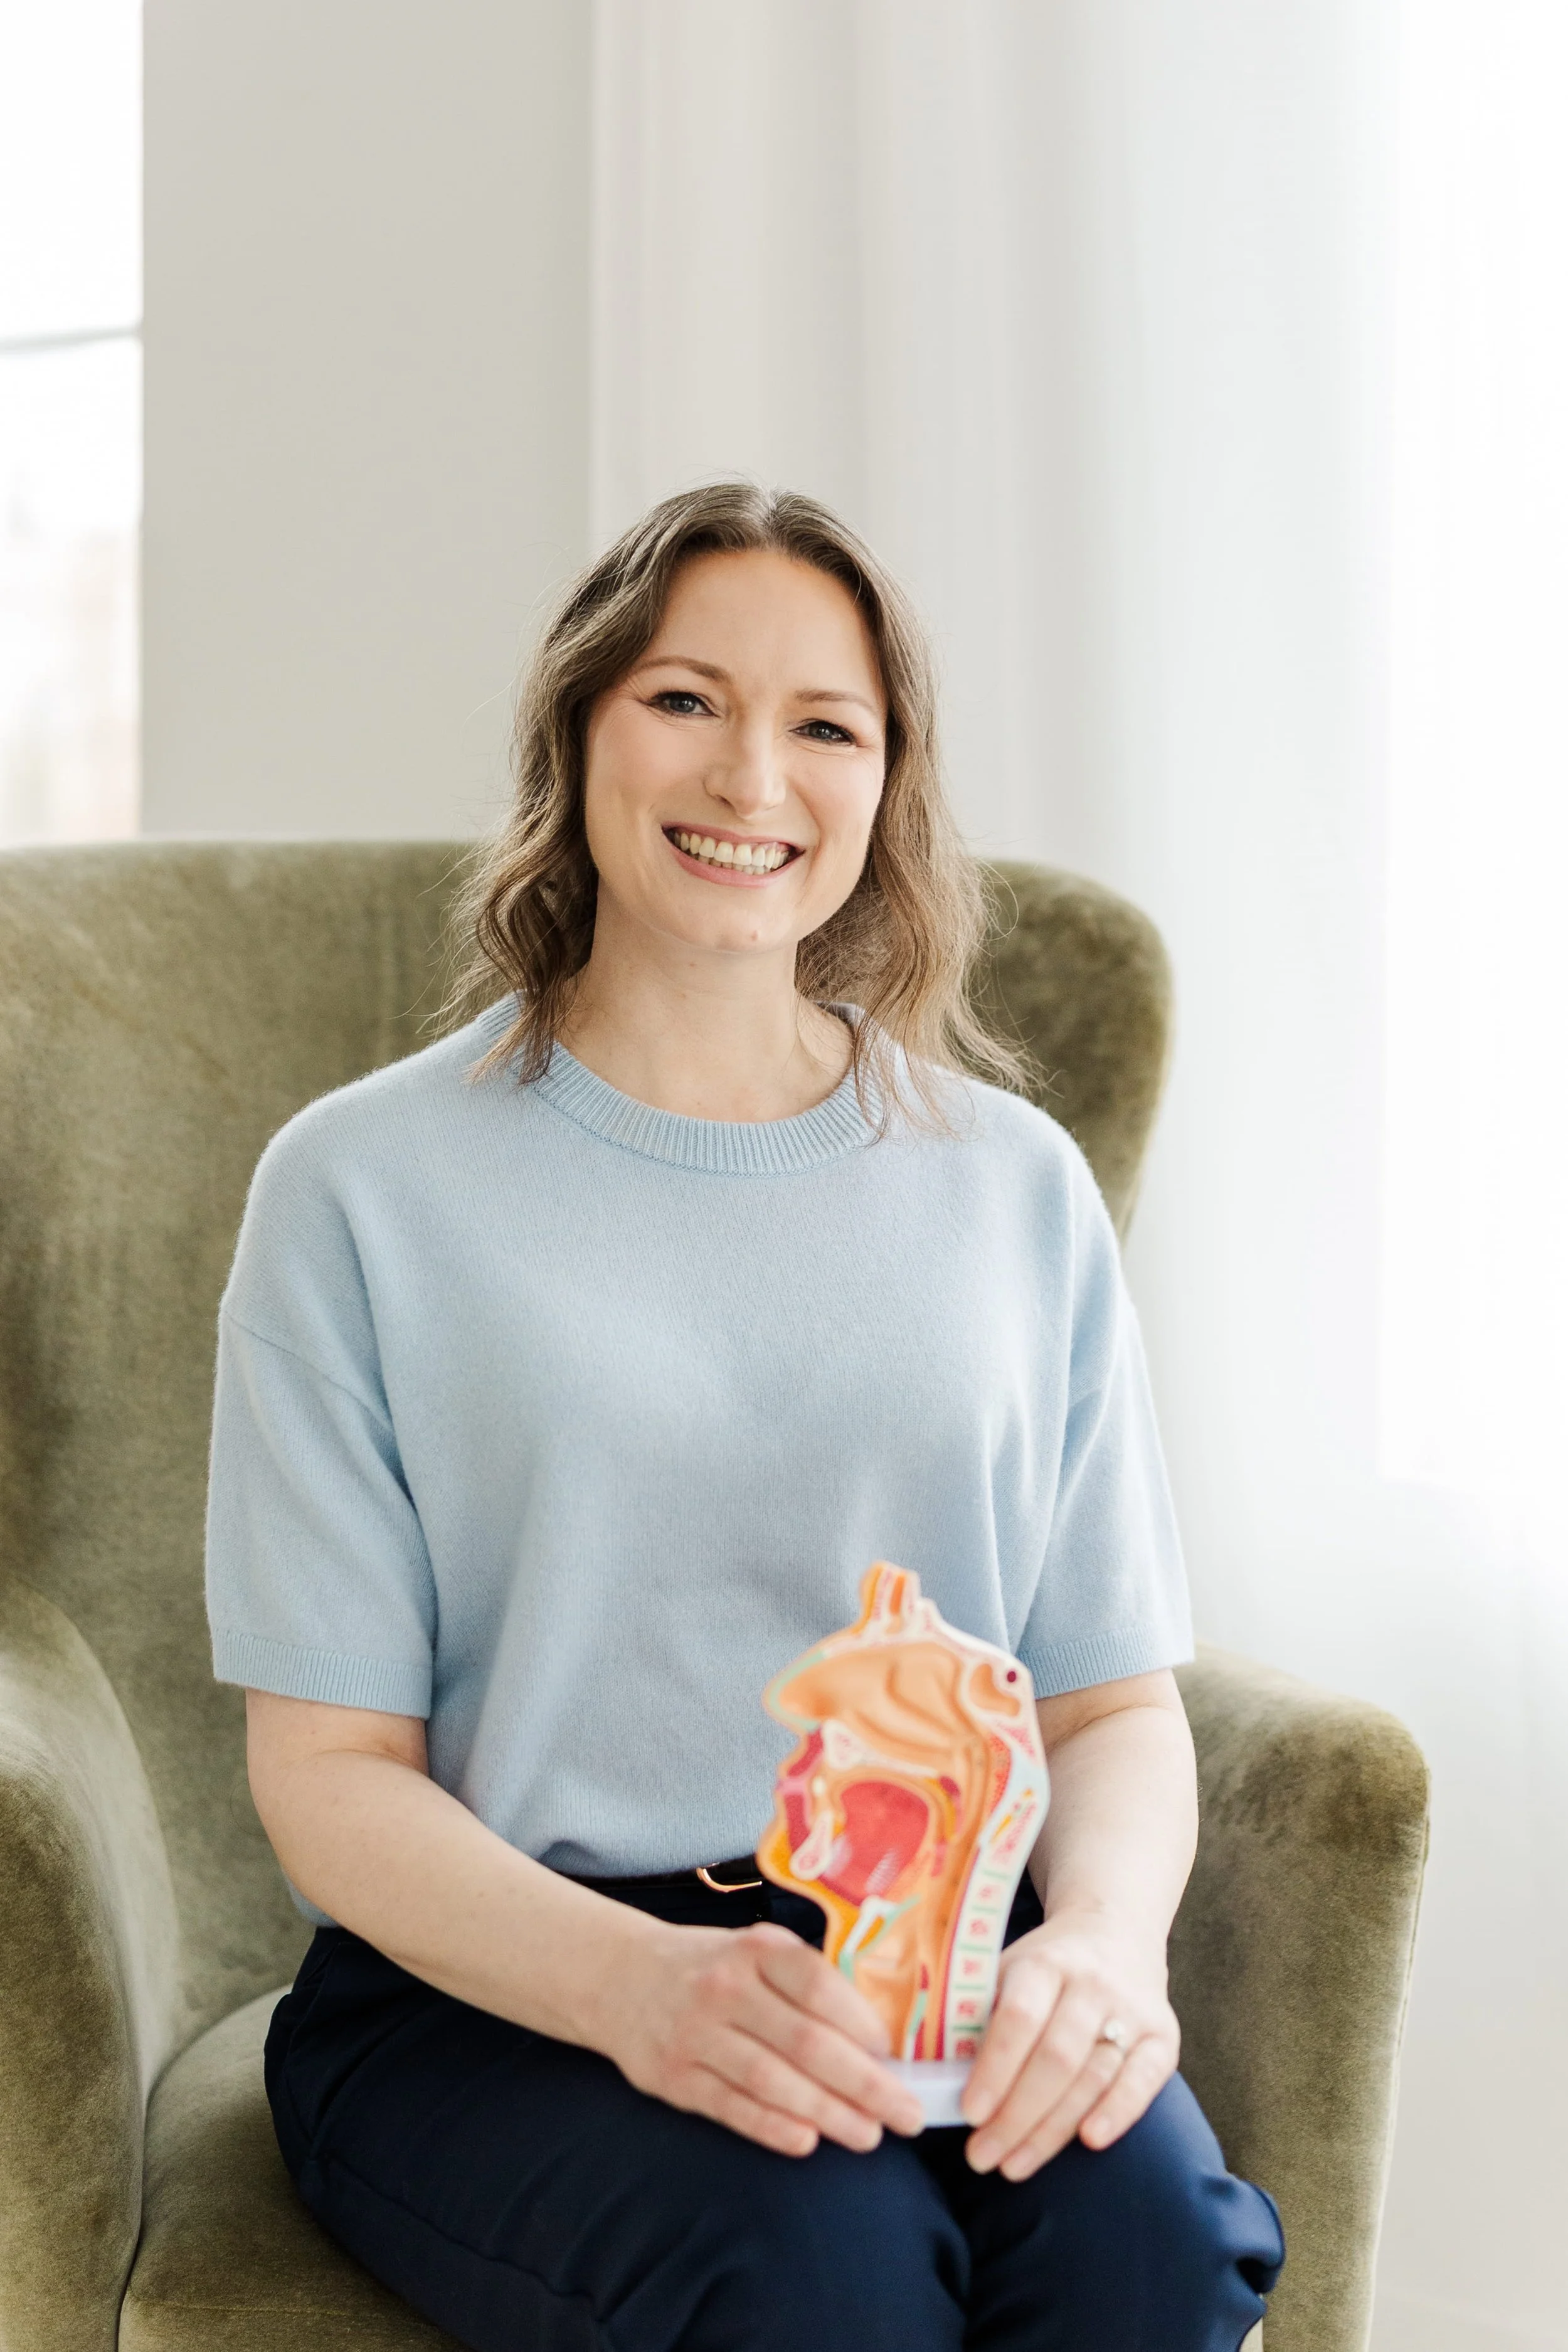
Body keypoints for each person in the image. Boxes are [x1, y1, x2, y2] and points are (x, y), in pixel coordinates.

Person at [206, 482, 1284, 2352]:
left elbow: (1111, 1702)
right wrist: (641, 1987)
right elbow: (329, 1778)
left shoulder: (1010, 1187)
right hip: (498, 1984)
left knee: (1155, 2253)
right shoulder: (360, 1186)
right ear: (579, 730)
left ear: (888, 786)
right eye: (684, 699)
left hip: (934, 1958)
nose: (751, 775)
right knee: (817, 2272)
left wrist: (1096, 1946)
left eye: (824, 725)